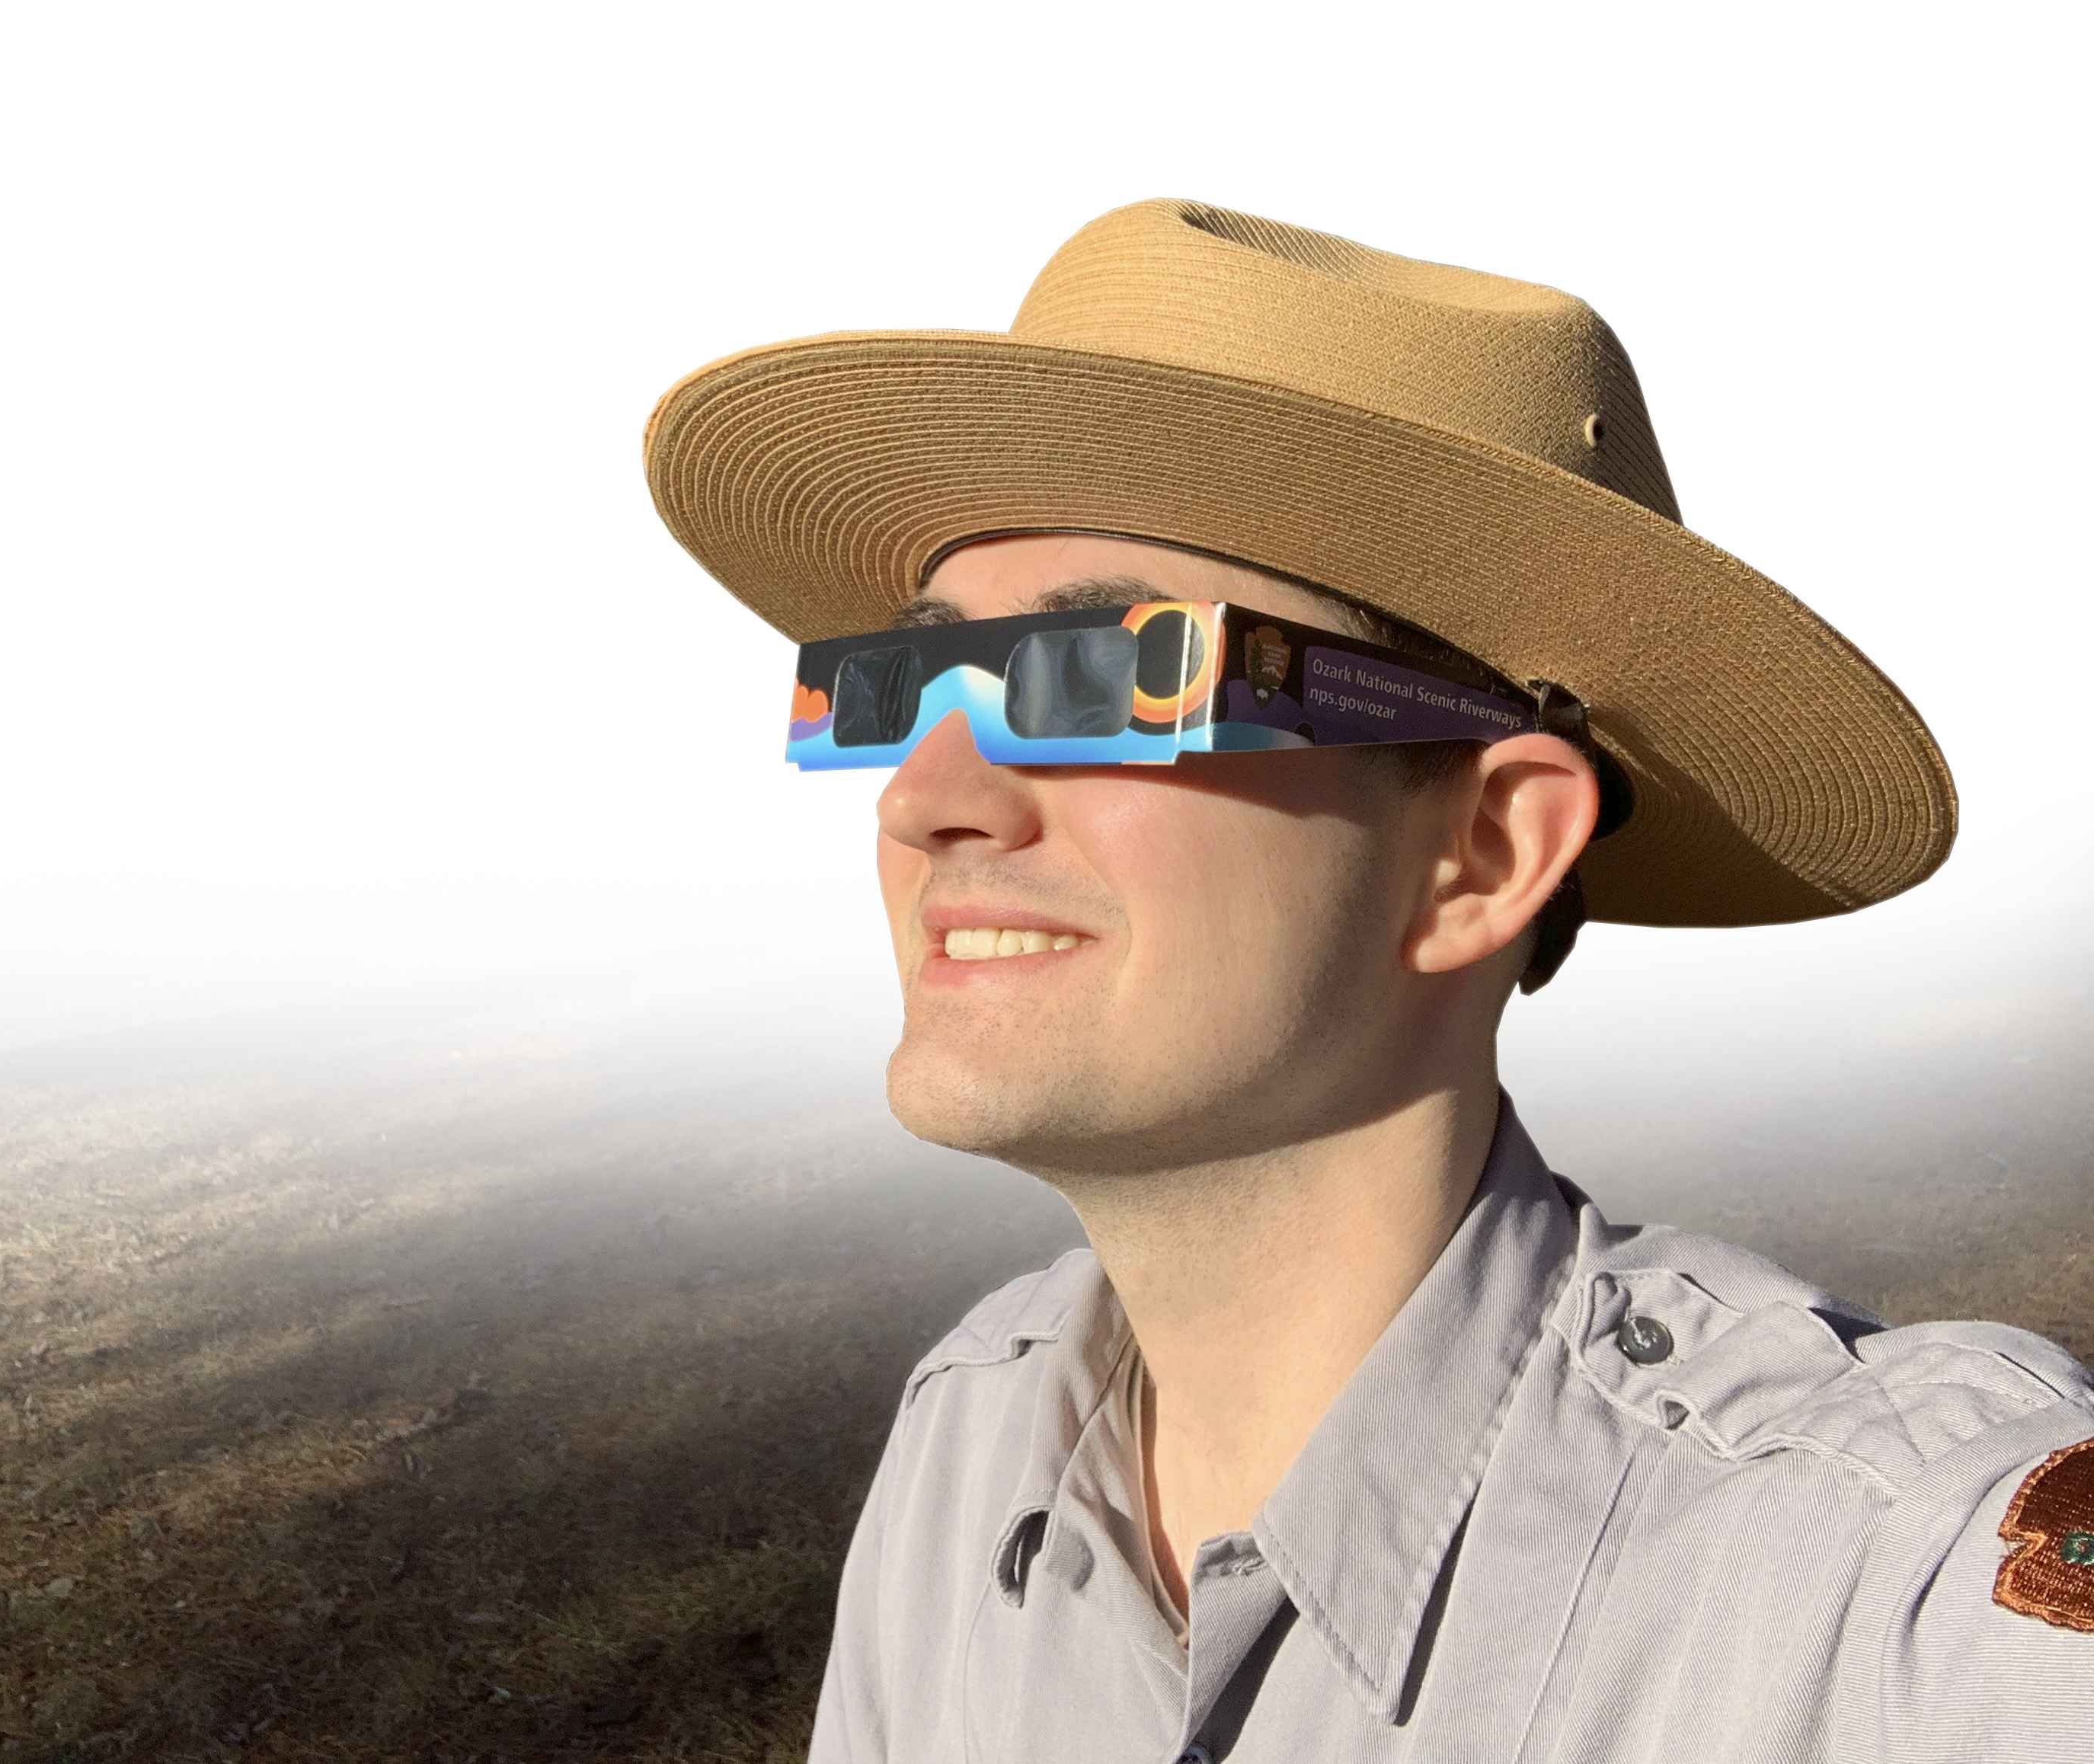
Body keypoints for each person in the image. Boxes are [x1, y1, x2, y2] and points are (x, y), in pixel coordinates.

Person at [642, 200, 2094, 1762]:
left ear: (1481, 850)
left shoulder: (1893, 1604)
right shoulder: (966, 1443)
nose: (926, 797)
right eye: (903, 683)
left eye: (1109, 677)